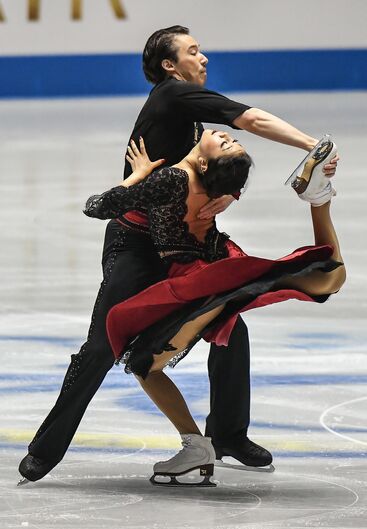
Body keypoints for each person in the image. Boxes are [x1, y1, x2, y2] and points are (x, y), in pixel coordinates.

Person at [18, 25, 339, 484]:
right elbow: (248, 119)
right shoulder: (173, 95)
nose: (203, 57)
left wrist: (226, 196)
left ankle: (227, 434)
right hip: (135, 242)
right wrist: (313, 145)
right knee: (102, 345)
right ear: (170, 65)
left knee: (230, 325)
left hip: (183, 243)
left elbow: (212, 166)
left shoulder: (185, 116)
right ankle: (45, 449)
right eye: (193, 51)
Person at [83, 131, 345, 486]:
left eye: (226, 144)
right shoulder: (214, 182)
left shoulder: (172, 179)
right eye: (229, 140)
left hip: (197, 283)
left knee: (144, 364)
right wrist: (229, 192)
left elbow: (96, 206)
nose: (224, 134)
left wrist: (138, 176)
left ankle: (195, 444)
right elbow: (228, 167)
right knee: (327, 279)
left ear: (204, 163)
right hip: (222, 264)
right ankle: (318, 200)